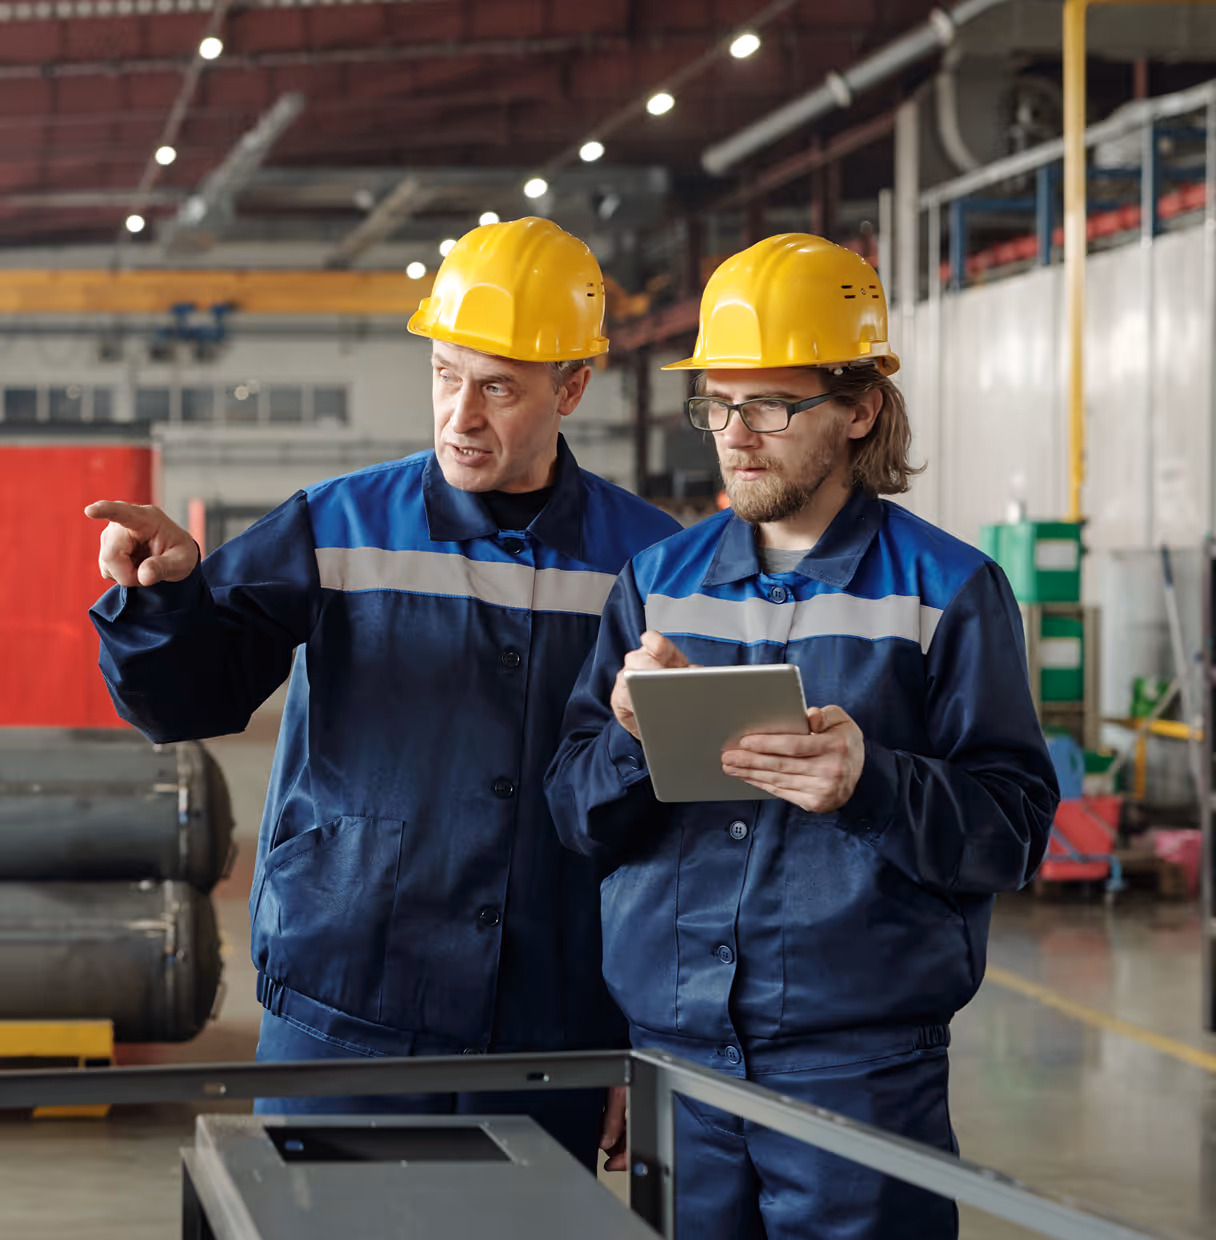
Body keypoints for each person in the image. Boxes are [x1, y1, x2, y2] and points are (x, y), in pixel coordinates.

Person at [87, 216, 680, 1169]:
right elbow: (187, 701)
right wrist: (164, 598)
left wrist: (637, 1034)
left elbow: (667, 827)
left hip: (551, 1025)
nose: (461, 416)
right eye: (446, 375)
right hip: (345, 1005)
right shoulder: (338, 525)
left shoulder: (647, 560)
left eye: (498, 387)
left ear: (573, 386)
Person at [546, 233, 1059, 1234]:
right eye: (718, 404)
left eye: (771, 405)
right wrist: (625, 741)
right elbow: (575, 813)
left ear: (858, 407)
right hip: (677, 1062)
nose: (735, 434)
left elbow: (1015, 830)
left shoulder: (946, 593)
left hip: (857, 1070)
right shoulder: (658, 583)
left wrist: (872, 781)